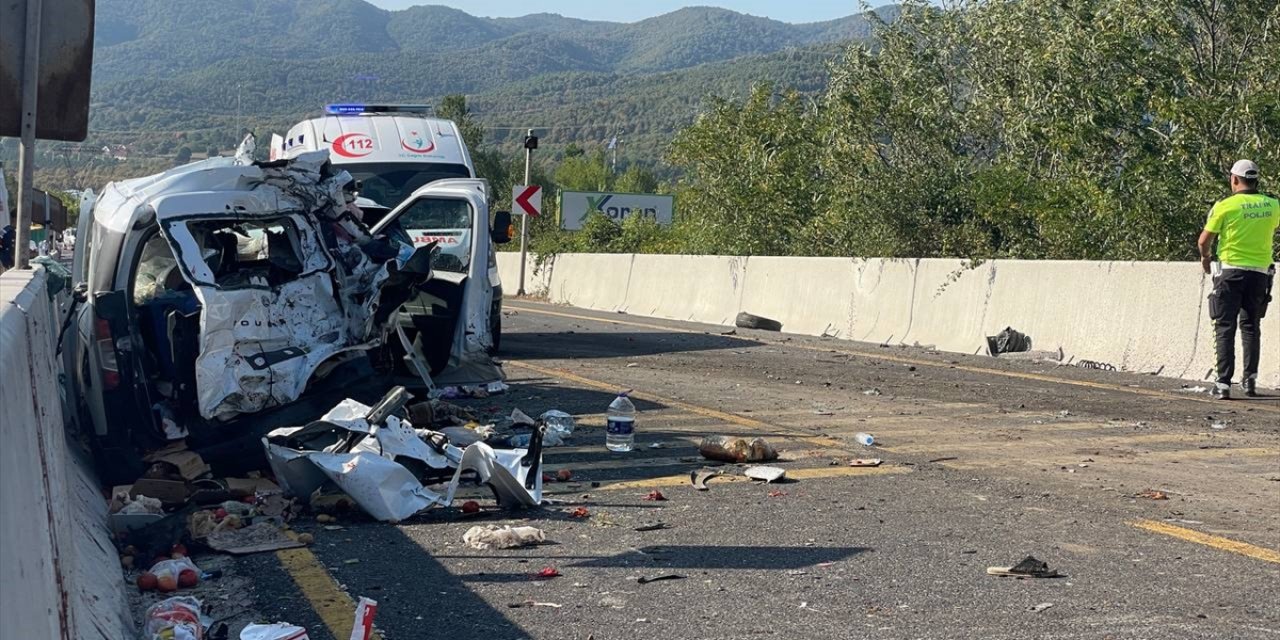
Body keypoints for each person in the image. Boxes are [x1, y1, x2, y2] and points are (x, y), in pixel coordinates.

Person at [1198, 159, 1279, 399]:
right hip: (1259, 275)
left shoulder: (1225, 206)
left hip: (1230, 272)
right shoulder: (1273, 205)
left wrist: (1205, 259)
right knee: (1251, 326)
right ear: (1256, 180)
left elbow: (1204, 241)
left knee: (1224, 326)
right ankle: (1250, 381)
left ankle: (1223, 383)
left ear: (1234, 179)